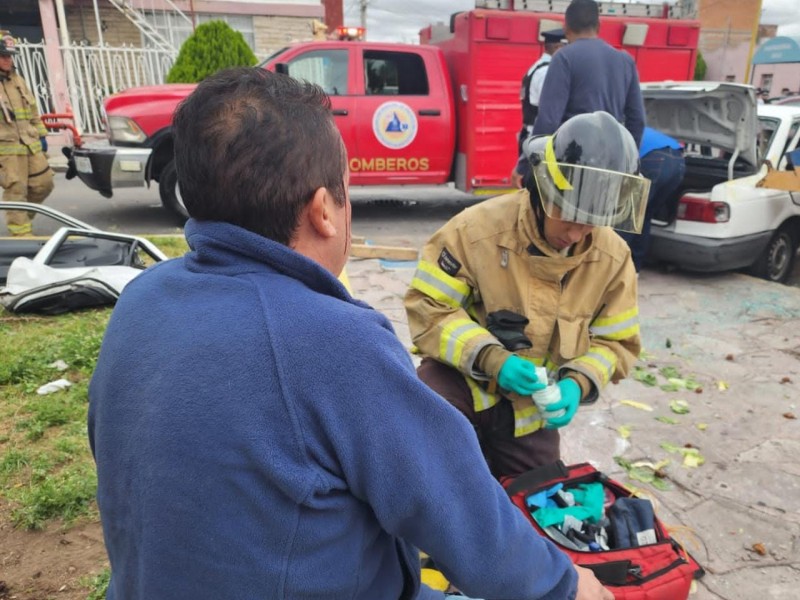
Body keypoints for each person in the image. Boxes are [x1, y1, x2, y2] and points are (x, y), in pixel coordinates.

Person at [88, 68, 613, 600]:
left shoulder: (141, 299)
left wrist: (578, 380)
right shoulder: (336, 341)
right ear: (324, 211)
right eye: (347, 192)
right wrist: (568, 586)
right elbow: (469, 524)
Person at [405, 111, 645, 480]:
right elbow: (429, 309)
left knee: (539, 494)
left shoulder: (612, 259)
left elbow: (617, 343)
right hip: (461, 385)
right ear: (543, 188)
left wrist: (577, 383)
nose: (576, 233)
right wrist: (491, 358)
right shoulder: (476, 231)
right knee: (433, 466)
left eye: (591, 222)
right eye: (568, 214)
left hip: (528, 412)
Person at [532, 0, 645, 145]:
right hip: (612, 154)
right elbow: (637, 119)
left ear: (566, 28)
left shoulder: (564, 58)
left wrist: (533, 155)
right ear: (599, 26)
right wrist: (628, 153)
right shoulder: (625, 61)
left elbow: (548, 120)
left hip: (573, 153)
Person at [0, 32, 54, 237]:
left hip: (29, 143)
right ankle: (21, 234)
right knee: (16, 190)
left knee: (44, 183)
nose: (8, 60)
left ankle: (23, 217)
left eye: (10, 56)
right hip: (6, 150)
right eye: (3, 56)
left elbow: (32, 111)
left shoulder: (17, 80)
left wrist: (42, 136)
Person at [620, 126, 685, 272]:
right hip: (679, 161)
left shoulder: (617, 129)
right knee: (644, 216)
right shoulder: (637, 126)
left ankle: (615, 268)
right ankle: (635, 268)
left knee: (628, 217)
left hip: (653, 159)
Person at [517, 28, 565, 156]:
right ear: (558, 47)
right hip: (540, 141)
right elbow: (549, 110)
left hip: (532, 136)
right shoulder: (548, 71)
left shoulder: (538, 66)